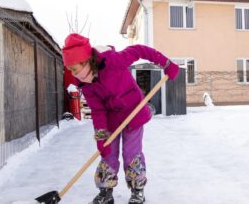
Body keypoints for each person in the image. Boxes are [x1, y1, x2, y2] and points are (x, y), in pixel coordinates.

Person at [62, 33, 179, 204]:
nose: (72, 73)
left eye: (74, 68)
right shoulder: (85, 83)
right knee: (107, 153)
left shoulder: (112, 61)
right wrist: (101, 136)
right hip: (111, 117)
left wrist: (166, 63)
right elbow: (97, 110)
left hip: (134, 111)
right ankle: (105, 191)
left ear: (86, 60)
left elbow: (140, 50)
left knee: (131, 153)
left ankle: (137, 190)